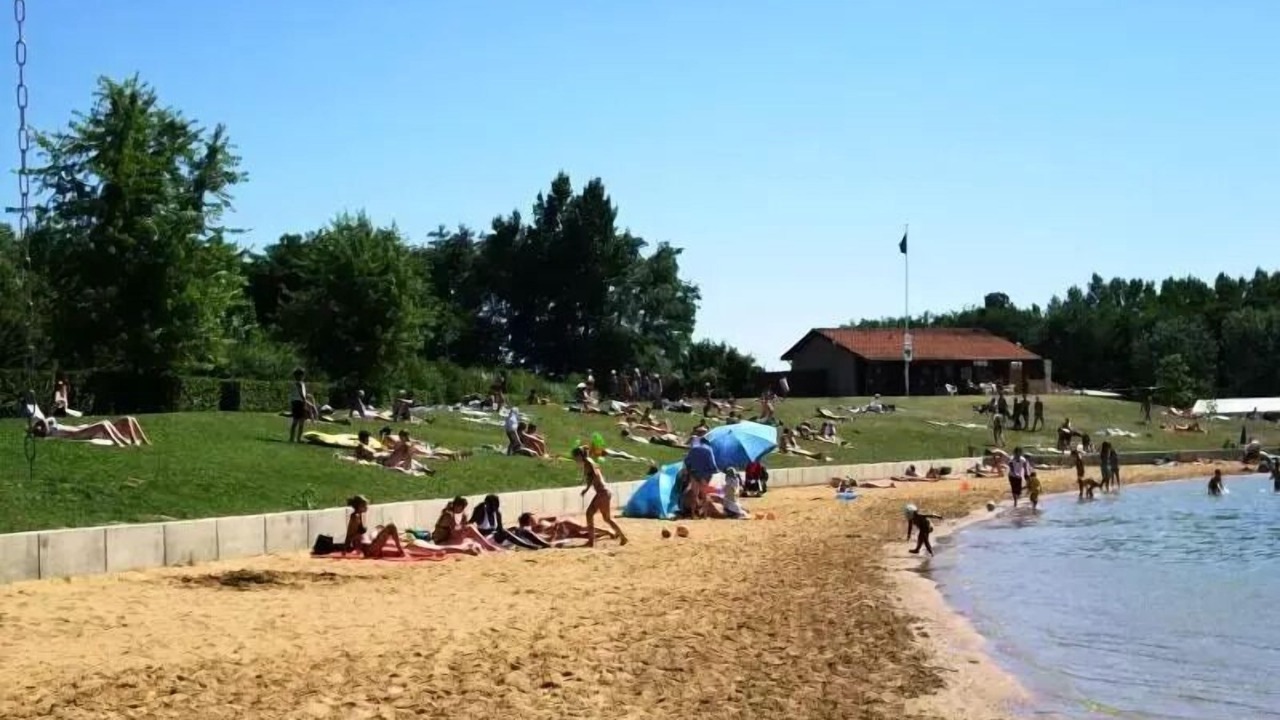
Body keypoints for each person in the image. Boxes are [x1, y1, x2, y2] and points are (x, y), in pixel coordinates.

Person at [573, 446, 628, 547]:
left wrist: (587, 483)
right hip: (605, 492)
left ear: (580, 456)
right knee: (607, 518)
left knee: (589, 514)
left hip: (602, 493)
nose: (575, 460)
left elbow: (594, 474)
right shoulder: (588, 463)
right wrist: (586, 488)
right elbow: (591, 477)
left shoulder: (588, 462)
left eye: (575, 457)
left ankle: (591, 541)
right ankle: (623, 537)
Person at [433, 497, 503, 552]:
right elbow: (453, 532)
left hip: (451, 538)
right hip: (442, 541)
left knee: (472, 538)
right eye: (462, 507)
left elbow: (461, 528)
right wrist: (464, 530)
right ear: (456, 506)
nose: (462, 510)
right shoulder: (448, 515)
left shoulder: (461, 515)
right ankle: (488, 546)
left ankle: (487, 545)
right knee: (470, 529)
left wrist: (464, 525)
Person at [31, 415, 151, 446]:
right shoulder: (49, 432)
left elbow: (49, 419)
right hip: (78, 434)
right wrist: (36, 427)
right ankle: (120, 443)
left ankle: (143, 441)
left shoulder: (51, 425)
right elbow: (46, 423)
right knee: (104, 423)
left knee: (129, 419)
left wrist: (37, 423)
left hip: (83, 428)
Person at [681, 436, 718, 518]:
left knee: (694, 495)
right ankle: (704, 515)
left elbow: (687, 461)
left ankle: (693, 514)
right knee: (705, 495)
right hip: (705, 475)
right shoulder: (709, 450)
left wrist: (689, 470)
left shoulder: (693, 449)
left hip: (694, 473)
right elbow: (713, 464)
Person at [288, 368, 308, 443]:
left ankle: (295, 438)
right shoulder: (298, 384)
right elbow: (301, 393)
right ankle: (295, 438)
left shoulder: (301, 384)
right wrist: (305, 401)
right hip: (298, 402)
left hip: (297, 402)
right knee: (298, 421)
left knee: (299, 421)